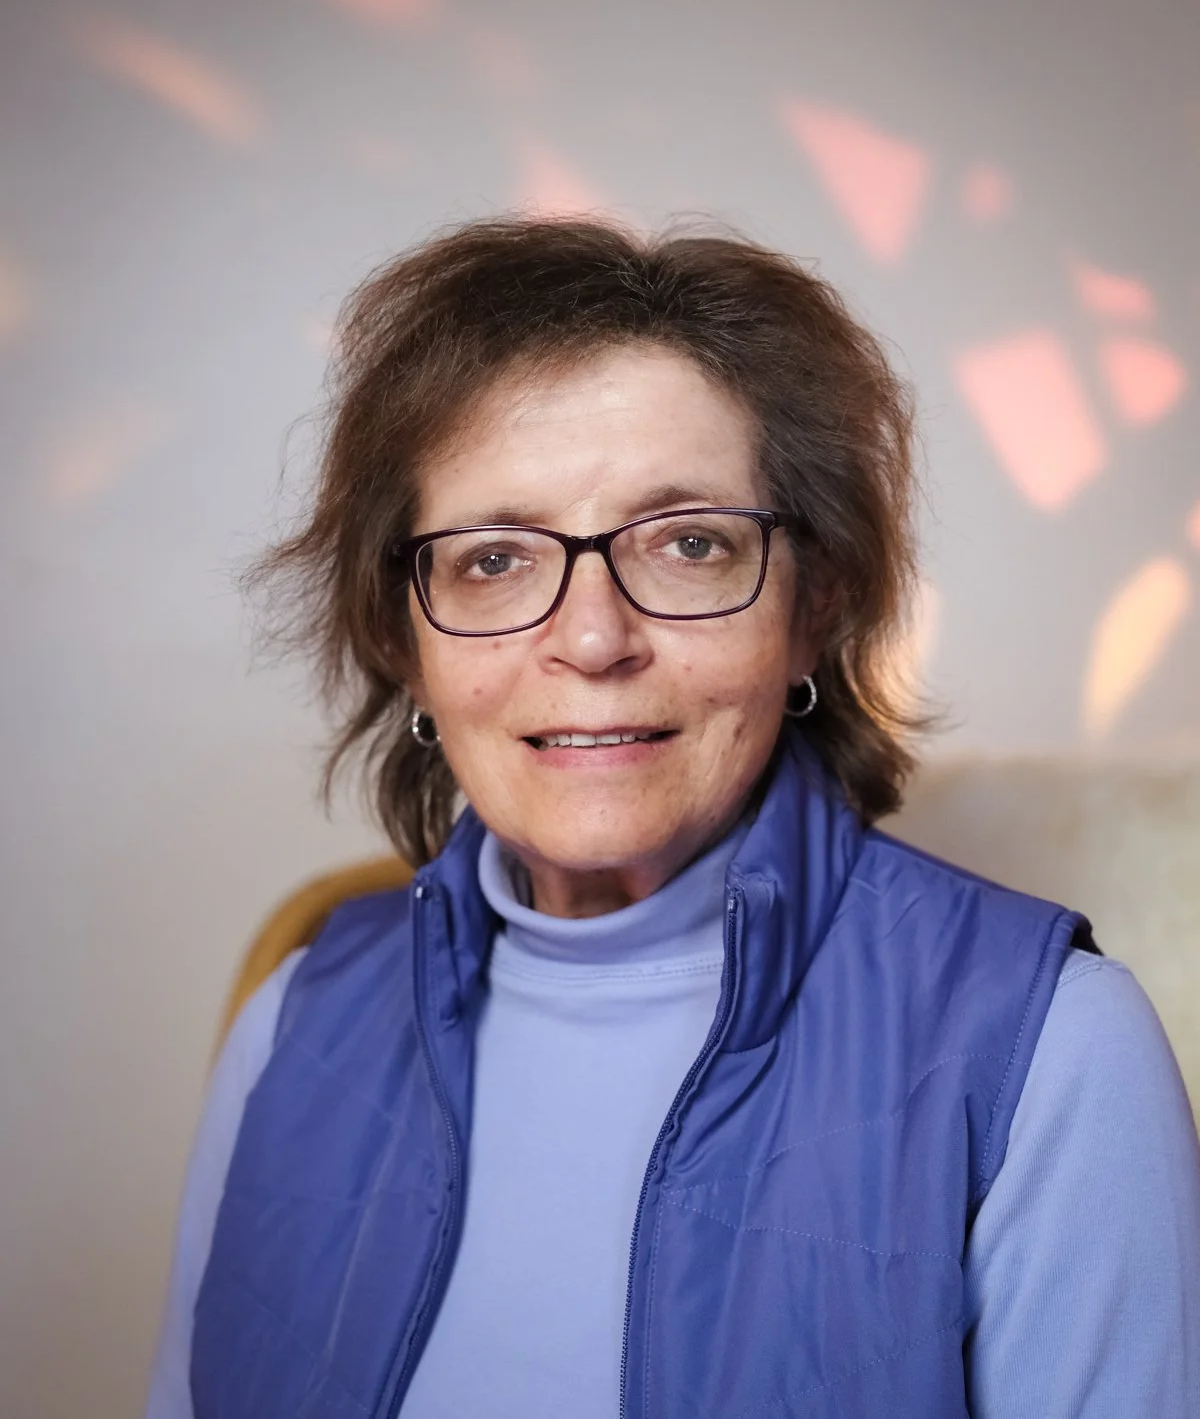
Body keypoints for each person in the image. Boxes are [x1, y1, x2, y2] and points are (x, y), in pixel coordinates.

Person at [146, 217, 1200, 1419]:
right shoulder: (292, 1023)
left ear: (818, 604)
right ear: (406, 637)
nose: (593, 639)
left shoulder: (1055, 1051)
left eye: (689, 542)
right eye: (494, 559)